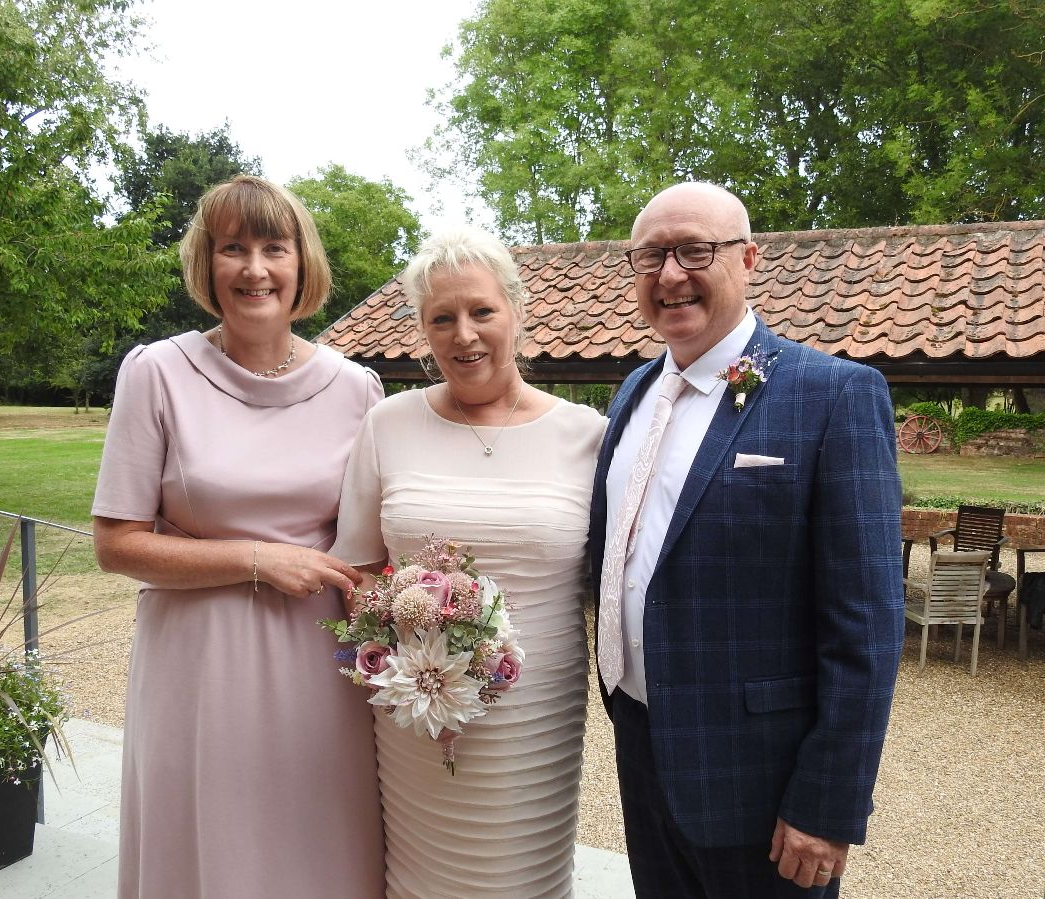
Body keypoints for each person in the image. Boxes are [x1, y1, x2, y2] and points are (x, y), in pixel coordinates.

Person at [590, 182, 904, 898]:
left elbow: (868, 624)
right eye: (650, 256)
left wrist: (826, 803)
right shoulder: (633, 391)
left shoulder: (833, 394)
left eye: (695, 250)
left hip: (763, 782)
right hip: (642, 746)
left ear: (749, 259)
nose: (670, 274)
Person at [91, 175, 384, 898]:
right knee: (208, 853)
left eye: (273, 248)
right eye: (233, 249)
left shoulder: (358, 389)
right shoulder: (156, 372)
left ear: (301, 264)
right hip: (198, 668)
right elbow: (116, 542)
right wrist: (255, 559)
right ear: (207, 263)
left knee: (318, 849)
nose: (254, 269)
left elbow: (372, 546)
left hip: (319, 671)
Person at [332, 225, 607, 897]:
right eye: (442, 318)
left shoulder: (587, 435)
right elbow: (357, 570)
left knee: (524, 873)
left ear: (516, 309)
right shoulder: (387, 424)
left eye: (482, 310)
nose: (464, 334)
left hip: (535, 713)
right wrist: (407, 627)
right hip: (414, 707)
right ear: (423, 331)